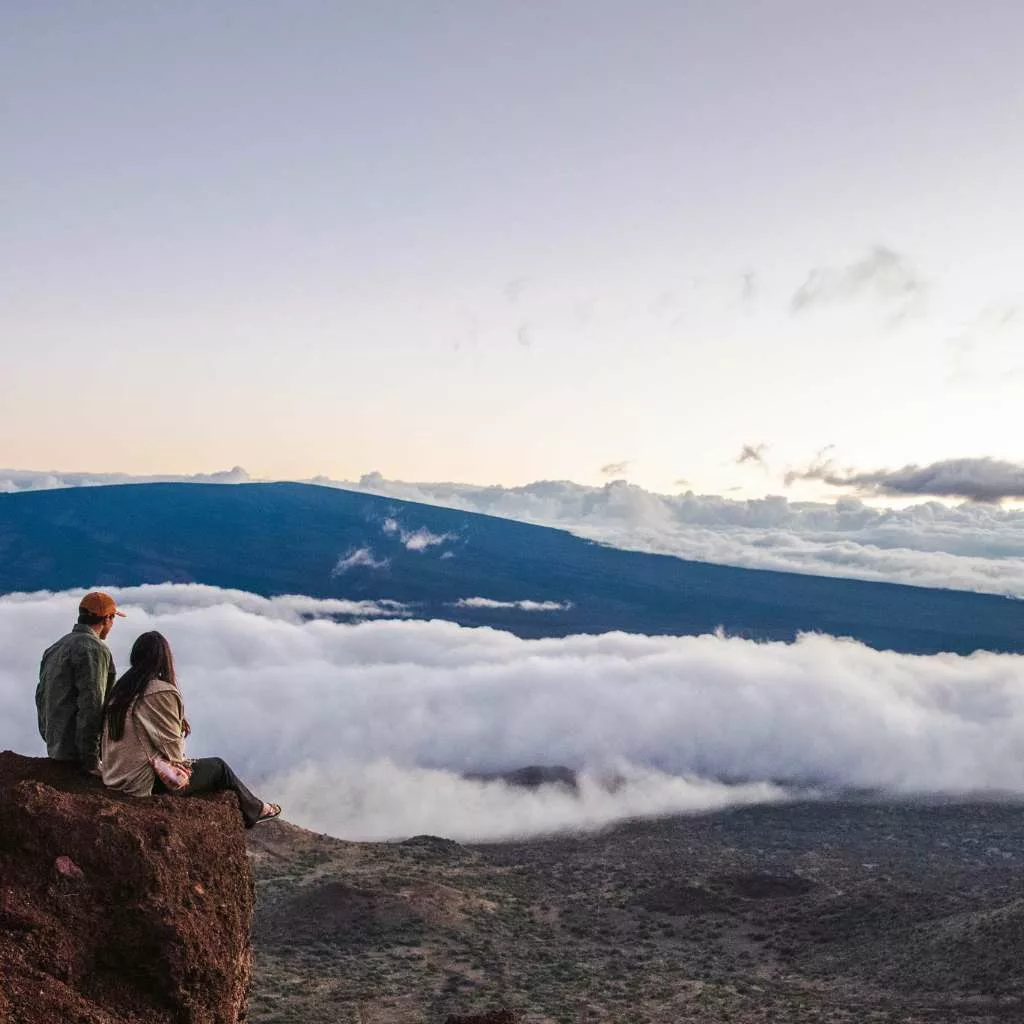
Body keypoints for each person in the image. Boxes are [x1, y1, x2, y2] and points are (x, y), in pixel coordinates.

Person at [100, 630, 281, 828]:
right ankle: (257, 809)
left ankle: (256, 807)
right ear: (164, 658)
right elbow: (173, 749)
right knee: (219, 768)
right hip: (141, 782)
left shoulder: (121, 689)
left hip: (115, 775)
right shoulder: (160, 691)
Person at [36, 591, 124, 774]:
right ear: (107, 619)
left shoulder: (55, 647)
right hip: (76, 754)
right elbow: (92, 705)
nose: (112, 624)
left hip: (55, 746)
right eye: (113, 618)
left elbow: (40, 696)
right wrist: (91, 761)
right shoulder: (94, 649)